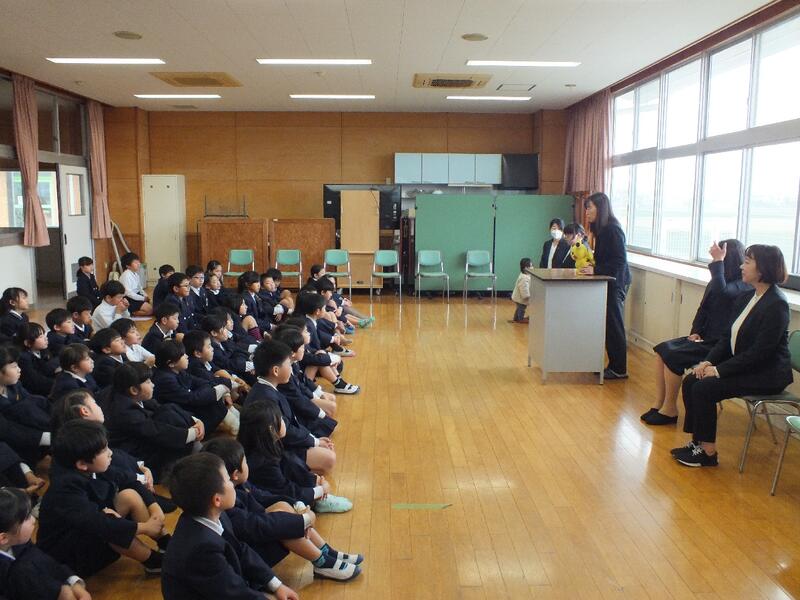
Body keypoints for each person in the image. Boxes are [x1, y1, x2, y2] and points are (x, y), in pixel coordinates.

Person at [673, 244, 792, 467]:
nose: (741, 267)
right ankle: (698, 441)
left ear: (762, 268)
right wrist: (707, 361)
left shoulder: (777, 304)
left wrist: (718, 370)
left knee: (704, 388)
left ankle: (708, 453)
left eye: (747, 262)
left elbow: (760, 353)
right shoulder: (748, 297)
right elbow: (727, 338)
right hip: (747, 367)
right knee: (692, 380)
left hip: (767, 374)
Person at [203, 437, 362, 581]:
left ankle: (326, 552)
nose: (247, 464)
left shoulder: (238, 486)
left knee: (283, 507)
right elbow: (256, 526)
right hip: (248, 561)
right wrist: (303, 521)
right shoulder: (226, 507)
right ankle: (322, 561)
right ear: (235, 474)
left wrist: (297, 505)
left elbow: (264, 497)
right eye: (244, 461)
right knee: (283, 523)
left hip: (256, 533)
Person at [162, 452, 300, 600]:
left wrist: (276, 585)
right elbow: (235, 594)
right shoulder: (201, 549)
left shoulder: (214, 515)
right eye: (228, 480)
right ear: (217, 500)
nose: (233, 484)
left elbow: (240, 550)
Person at [37, 420, 166, 577]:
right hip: (68, 556)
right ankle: (154, 562)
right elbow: (98, 523)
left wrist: (154, 507)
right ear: (82, 464)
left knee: (129, 496)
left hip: (86, 530)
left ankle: (165, 541)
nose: (110, 453)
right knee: (110, 522)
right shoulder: (65, 488)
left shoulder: (90, 466)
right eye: (104, 450)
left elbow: (129, 480)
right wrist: (145, 527)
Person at [643, 240, 749, 426]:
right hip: (705, 338)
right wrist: (696, 331)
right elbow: (703, 309)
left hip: (721, 345)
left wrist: (718, 264)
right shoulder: (717, 281)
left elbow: (722, 293)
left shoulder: (744, 285)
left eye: (719, 259)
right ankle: (659, 403)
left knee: (673, 356)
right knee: (662, 350)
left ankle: (670, 409)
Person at [238, 400, 351, 514]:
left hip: (279, 485)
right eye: (281, 419)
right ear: (271, 429)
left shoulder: (266, 444)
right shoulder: (262, 462)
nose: (284, 421)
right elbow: (285, 490)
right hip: (272, 498)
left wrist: (312, 479)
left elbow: (290, 464)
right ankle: (317, 501)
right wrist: (319, 491)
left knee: (294, 463)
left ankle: (317, 495)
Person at [106, 362, 199, 481]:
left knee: (168, 410)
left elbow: (162, 407)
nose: (153, 384)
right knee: (168, 420)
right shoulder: (124, 410)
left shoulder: (132, 395)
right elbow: (155, 431)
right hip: (140, 457)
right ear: (134, 390)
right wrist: (194, 433)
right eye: (148, 382)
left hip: (146, 441)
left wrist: (195, 421)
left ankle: (194, 450)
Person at [0, 487, 90, 600]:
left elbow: (44, 561)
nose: (33, 520)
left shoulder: (18, 541)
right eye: (26, 518)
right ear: (3, 537)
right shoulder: (15, 573)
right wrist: (60, 592)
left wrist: (72, 581)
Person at [580, 193, 631, 380]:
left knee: (614, 325)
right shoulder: (602, 230)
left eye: (589, 208)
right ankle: (612, 364)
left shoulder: (612, 229)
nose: (587, 212)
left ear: (600, 208)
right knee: (608, 325)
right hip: (607, 281)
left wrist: (596, 269)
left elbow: (619, 260)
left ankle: (619, 369)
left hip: (616, 283)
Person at [152, 340, 238, 435]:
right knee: (211, 400)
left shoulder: (178, 370)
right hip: (179, 418)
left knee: (211, 396)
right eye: (183, 355)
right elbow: (191, 398)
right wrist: (219, 389)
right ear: (171, 363)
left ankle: (235, 424)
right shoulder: (165, 379)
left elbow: (200, 382)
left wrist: (218, 389)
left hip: (188, 406)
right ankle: (236, 427)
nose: (187, 356)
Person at [14, 322, 57, 397]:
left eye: (44, 335)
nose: (46, 338)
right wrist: (58, 382)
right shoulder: (23, 358)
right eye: (40, 337)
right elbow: (35, 381)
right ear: (27, 342)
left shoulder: (43, 349)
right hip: (35, 392)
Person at [118, 252, 153, 317]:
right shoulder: (126, 275)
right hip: (128, 298)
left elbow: (140, 288)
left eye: (138, 262)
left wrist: (146, 296)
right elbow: (128, 293)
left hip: (135, 295)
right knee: (150, 310)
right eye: (135, 263)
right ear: (128, 266)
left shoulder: (135, 274)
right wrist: (142, 298)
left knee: (152, 307)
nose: (138, 264)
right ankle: (131, 312)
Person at [510, 258, 532, 324]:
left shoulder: (524, 275)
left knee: (519, 308)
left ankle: (516, 318)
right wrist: (527, 296)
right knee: (521, 309)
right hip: (521, 298)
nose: (532, 267)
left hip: (518, 297)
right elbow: (524, 289)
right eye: (531, 266)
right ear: (526, 268)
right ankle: (520, 319)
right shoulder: (524, 278)